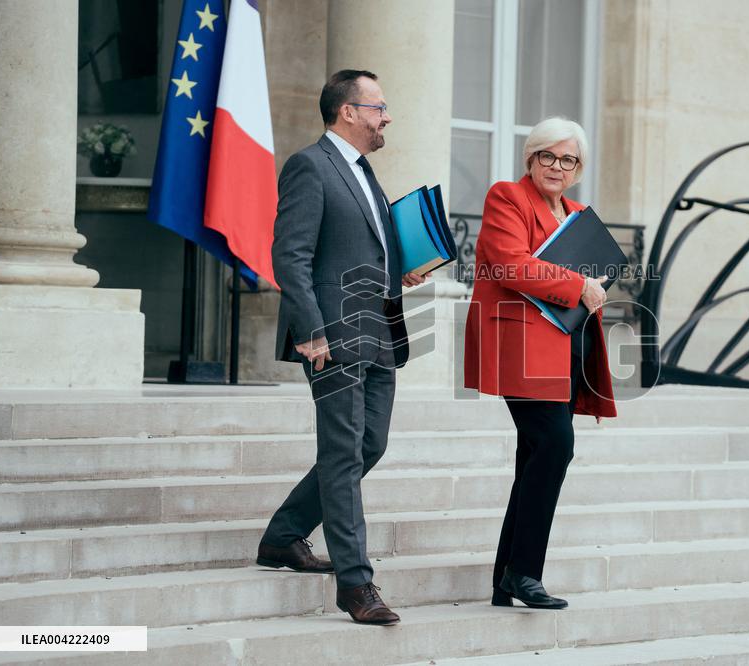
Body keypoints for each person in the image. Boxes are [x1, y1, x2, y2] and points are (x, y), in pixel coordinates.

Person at [257, 69, 426, 626]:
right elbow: (291, 256)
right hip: (332, 337)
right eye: (379, 107)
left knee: (369, 445)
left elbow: (363, 247)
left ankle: (283, 535)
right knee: (342, 452)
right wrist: (311, 330)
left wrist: (400, 270)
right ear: (348, 111)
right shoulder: (310, 165)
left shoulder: (365, 172)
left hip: (378, 332)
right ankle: (356, 585)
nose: (387, 117)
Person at [464, 117, 617, 609]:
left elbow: (592, 279)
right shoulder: (507, 197)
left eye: (568, 159)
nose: (557, 166)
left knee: (534, 455)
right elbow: (509, 263)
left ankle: (505, 579)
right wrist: (578, 285)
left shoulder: (579, 213)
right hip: (522, 347)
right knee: (555, 445)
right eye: (547, 156)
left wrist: (592, 289)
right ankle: (524, 573)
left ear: (578, 169)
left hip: (567, 348)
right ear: (531, 158)